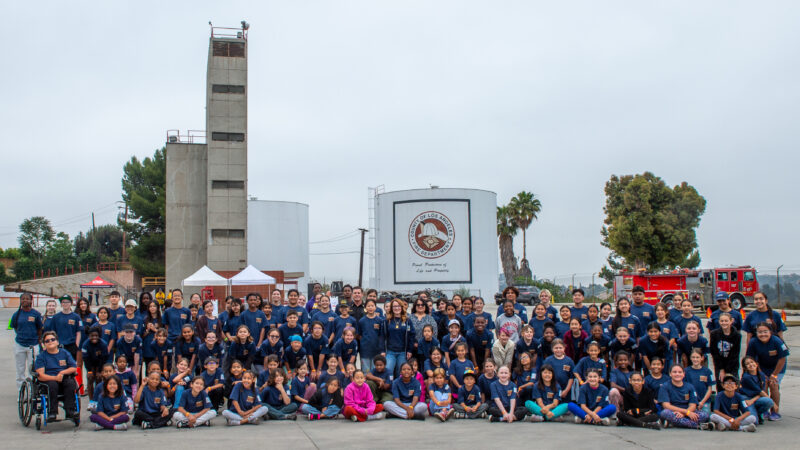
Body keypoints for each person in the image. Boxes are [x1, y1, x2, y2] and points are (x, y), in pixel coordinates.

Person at [745, 322, 789, 420]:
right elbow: (751, 359)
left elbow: (782, 359)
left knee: (773, 385)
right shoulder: (753, 342)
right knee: (763, 385)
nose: (763, 334)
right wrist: (761, 374)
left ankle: (775, 412)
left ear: (770, 332)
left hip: (778, 367)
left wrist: (774, 375)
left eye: (765, 331)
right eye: (760, 332)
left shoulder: (777, 341)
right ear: (756, 333)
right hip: (762, 367)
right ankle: (764, 410)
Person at [35, 331, 79, 422]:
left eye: (52, 339)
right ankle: (52, 412)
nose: (50, 342)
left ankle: (70, 411)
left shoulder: (64, 353)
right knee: (52, 385)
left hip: (63, 377)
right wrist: (55, 378)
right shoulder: (41, 357)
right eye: (47, 341)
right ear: (44, 344)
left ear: (57, 342)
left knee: (71, 383)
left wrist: (62, 373)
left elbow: (73, 367)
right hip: (48, 379)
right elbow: (40, 375)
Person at [658, 364, 712, 429]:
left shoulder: (690, 387)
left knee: (704, 415)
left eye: (680, 372)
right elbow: (666, 406)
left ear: (684, 374)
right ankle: (697, 426)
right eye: (674, 372)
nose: (677, 374)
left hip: (688, 412)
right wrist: (686, 412)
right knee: (665, 413)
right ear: (670, 374)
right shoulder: (664, 386)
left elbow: (693, 405)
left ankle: (675, 423)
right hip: (673, 412)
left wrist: (684, 414)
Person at [11, 292, 43, 389]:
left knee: (32, 368)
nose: (25, 300)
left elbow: (40, 328)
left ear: (31, 300)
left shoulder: (36, 314)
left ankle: (31, 390)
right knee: (20, 369)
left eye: (27, 299)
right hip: (20, 345)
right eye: (23, 299)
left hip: (33, 345)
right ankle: (21, 390)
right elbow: (15, 327)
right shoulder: (16, 314)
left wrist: (37, 340)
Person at [384, 299, 415, 379]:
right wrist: (382, 350)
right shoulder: (387, 321)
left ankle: (399, 387)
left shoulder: (407, 321)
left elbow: (411, 336)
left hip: (402, 352)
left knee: (401, 373)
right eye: (394, 306)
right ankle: (389, 387)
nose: (396, 308)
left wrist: (409, 350)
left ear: (401, 307)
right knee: (388, 371)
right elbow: (382, 336)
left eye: (398, 306)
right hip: (390, 352)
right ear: (391, 308)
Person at [710, 312, 742, 391]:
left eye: (726, 321)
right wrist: (721, 369)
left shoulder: (737, 335)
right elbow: (714, 352)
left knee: (733, 386)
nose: (724, 323)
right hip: (719, 364)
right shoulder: (714, 334)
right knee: (721, 385)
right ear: (719, 322)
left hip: (732, 365)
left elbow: (735, 354)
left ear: (731, 321)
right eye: (722, 321)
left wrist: (727, 371)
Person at [739, 356, 775, 423]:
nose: (751, 364)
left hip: (754, 398)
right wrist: (775, 405)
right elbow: (760, 392)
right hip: (746, 399)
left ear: (756, 363)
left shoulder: (761, 375)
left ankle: (758, 413)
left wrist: (752, 400)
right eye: (747, 364)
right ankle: (742, 418)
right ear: (745, 367)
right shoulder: (746, 377)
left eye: (752, 362)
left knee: (769, 401)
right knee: (754, 422)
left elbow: (761, 392)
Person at [51, 295, 83, 361]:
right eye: (63, 302)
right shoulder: (56, 317)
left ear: (71, 303)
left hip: (72, 345)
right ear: (61, 304)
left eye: (67, 302)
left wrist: (76, 345)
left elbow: (78, 332)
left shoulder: (76, 317)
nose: (65, 304)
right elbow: (53, 333)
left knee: (71, 364)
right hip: (59, 345)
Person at [357, 299, 384, 373]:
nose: (370, 308)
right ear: (365, 307)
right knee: (366, 371)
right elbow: (359, 335)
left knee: (375, 371)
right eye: (368, 306)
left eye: (372, 306)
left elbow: (381, 336)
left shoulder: (380, 320)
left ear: (375, 307)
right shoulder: (362, 321)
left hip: (376, 350)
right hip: (365, 351)